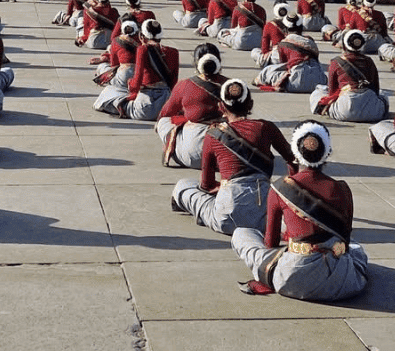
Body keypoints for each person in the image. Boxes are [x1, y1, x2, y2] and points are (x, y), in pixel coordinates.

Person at [230, 122, 370, 302]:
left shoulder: (280, 188)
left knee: (241, 234)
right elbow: (345, 239)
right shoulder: (343, 189)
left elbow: (270, 243)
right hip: (341, 284)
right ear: (327, 152)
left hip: (293, 279)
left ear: (295, 153)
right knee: (357, 249)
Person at [173, 79, 295, 236]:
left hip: (226, 215)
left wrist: (223, 186)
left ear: (221, 107)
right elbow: (293, 159)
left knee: (183, 186)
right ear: (250, 105)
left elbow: (206, 185)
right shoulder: (266, 127)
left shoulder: (213, 134)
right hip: (263, 215)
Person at [156, 43, 227, 169]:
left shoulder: (185, 84)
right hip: (224, 157)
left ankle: (172, 147)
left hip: (192, 155)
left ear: (196, 63)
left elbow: (165, 113)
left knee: (163, 122)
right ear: (218, 62)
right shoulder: (233, 86)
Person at [310, 29, 386, 123]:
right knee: (383, 95)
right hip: (373, 113)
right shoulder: (369, 61)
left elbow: (332, 91)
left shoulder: (336, 62)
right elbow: (376, 89)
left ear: (345, 45)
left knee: (319, 91)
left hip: (346, 111)